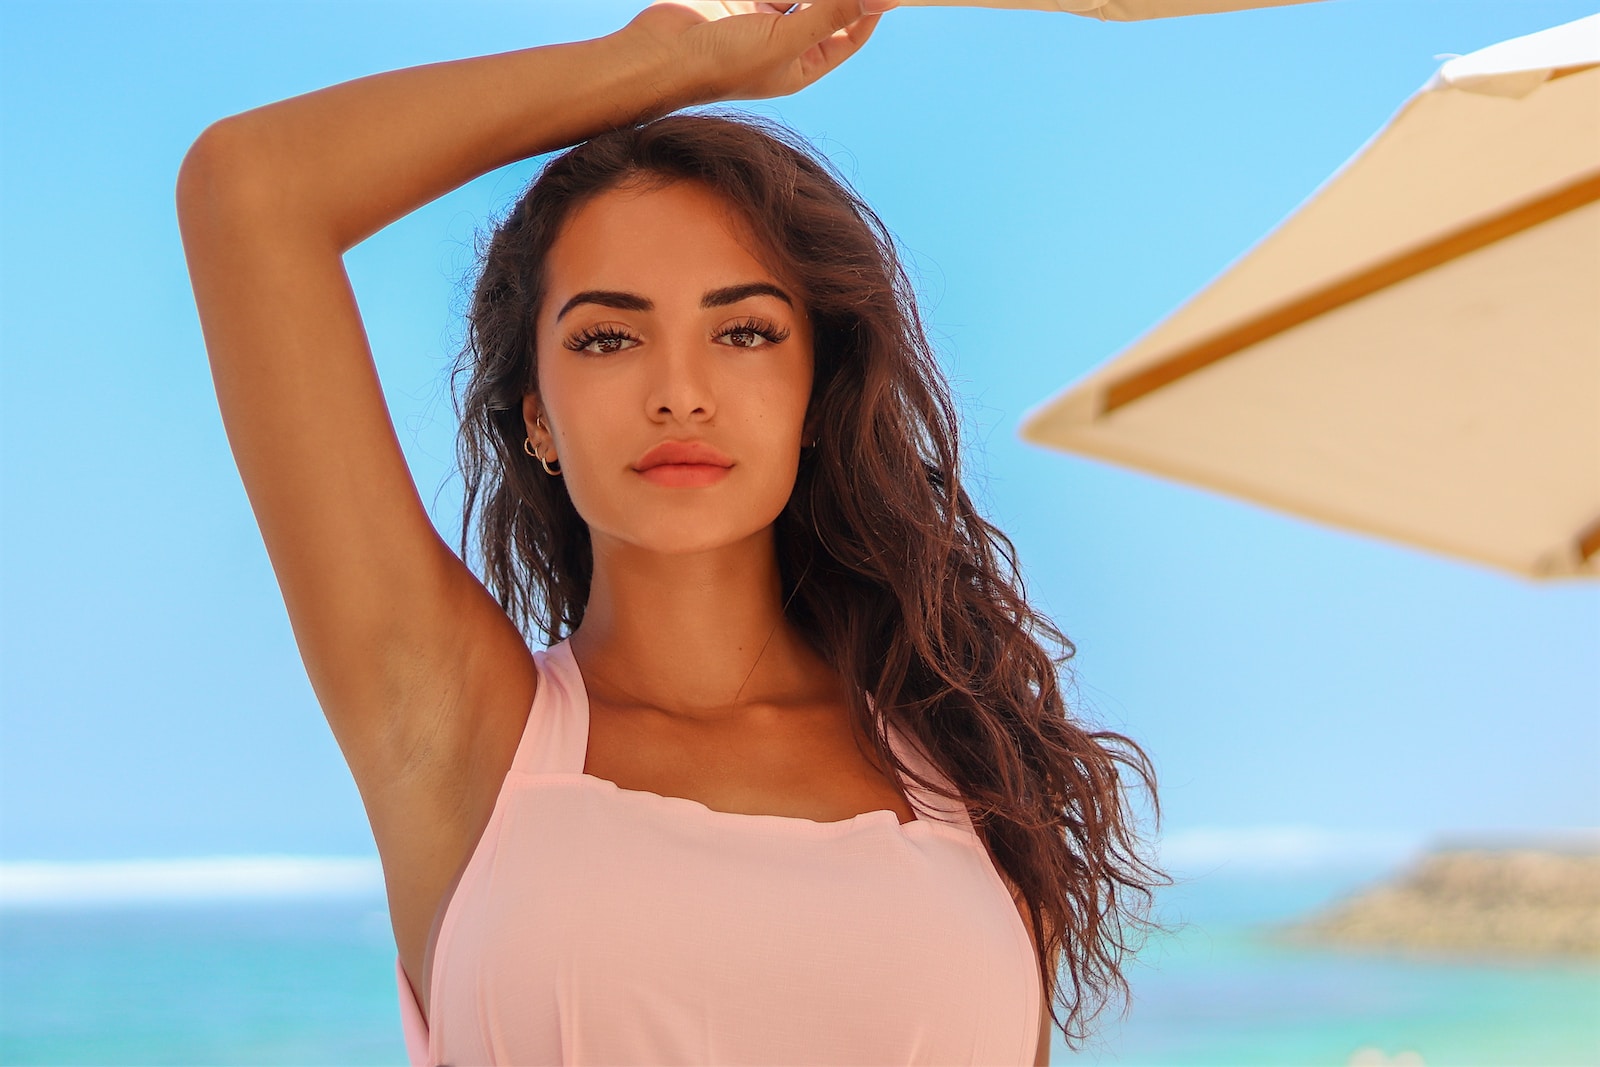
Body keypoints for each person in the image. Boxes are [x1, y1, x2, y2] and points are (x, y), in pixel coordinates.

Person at [176, 1, 1170, 1062]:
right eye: (608, 337)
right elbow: (252, 190)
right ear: (538, 417)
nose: (680, 392)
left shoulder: (974, 772)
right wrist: (662, 63)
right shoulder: (466, 740)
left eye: (742, 331)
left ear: (812, 394)